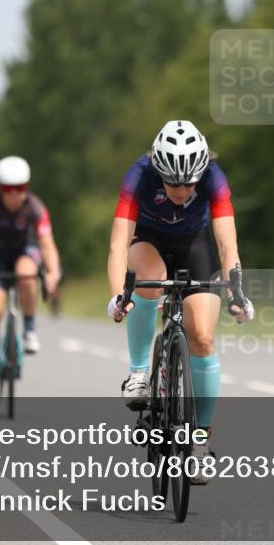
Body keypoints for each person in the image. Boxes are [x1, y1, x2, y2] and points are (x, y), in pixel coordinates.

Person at [107, 120, 253, 484]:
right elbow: (116, 245)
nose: (181, 188)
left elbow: (227, 245)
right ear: (159, 170)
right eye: (172, 181)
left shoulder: (213, 179)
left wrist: (237, 290)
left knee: (202, 335)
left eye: (188, 182)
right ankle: (140, 372)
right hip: (149, 240)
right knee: (149, 282)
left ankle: (200, 442)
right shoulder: (139, 175)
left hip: (194, 244)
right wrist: (117, 296)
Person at [0, 155, 61, 397]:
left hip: (26, 251)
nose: (14, 194)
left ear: (27, 187)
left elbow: (47, 244)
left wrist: (54, 272)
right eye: (8, 189)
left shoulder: (36, 207)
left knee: (26, 274)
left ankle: (30, 329)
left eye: (20, 188)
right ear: (0, 189)